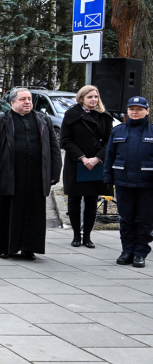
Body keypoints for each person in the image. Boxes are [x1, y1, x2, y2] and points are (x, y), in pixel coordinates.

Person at [0, 89, 61, 260]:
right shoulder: (0, 120)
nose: (27, 102)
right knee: (6, 210)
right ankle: (3, 246)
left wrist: (54, 172)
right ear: (12, 102)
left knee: (33, 211)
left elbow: (54, 148)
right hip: (8, 173)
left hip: (36, 174)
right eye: (23, 99)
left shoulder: (43, 120)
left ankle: (29, 247)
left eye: (29, 99)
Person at [60, 85, 114, 248]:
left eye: (96, 97)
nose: (94, 100)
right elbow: (65, 141)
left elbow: (109, 142)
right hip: (76, 163)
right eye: (90, 97)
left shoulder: (104, 116)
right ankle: (76, 235)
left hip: (96, 164)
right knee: (74, 199)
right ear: (81, 98)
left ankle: (88, 236)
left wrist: (96, 159)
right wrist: (83, 158)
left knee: (91, 200)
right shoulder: (71, 115)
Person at [104, 96, 153, 267]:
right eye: (132, 109)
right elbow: (109, 156)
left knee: (145, 219)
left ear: (147, 111)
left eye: (139, 109)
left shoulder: (152, 131)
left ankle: (140, 253)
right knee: (126, 219)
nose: (135, 112)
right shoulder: (118, 131)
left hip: (147, 185)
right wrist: (107, 178)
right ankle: (127, 251)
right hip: (123, 183)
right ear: (127, 111)